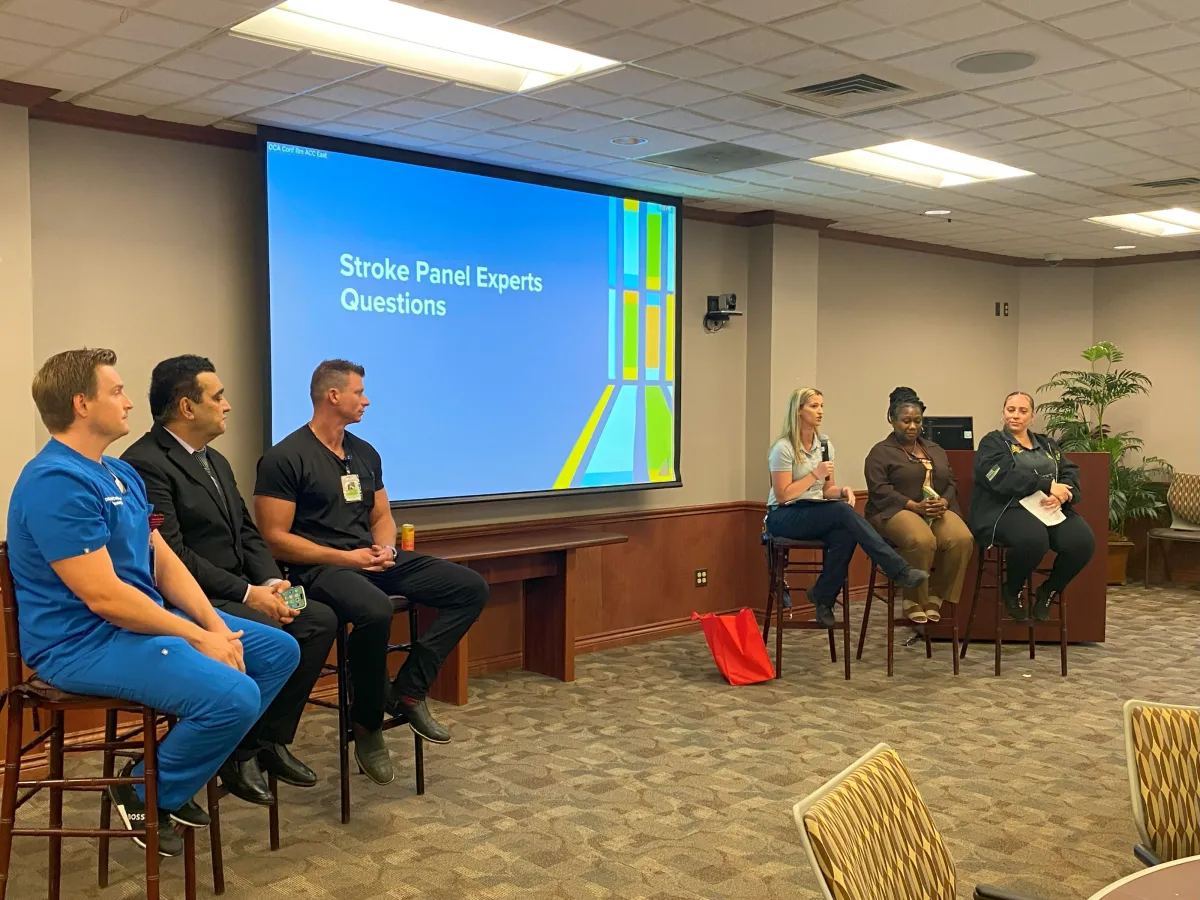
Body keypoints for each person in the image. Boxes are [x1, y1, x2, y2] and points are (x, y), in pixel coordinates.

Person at [5, 349, 299, 857]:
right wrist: (197, 636)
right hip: (82, 644)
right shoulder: (55, 481)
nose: (127, 401)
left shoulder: (120, 473)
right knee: (234, 697)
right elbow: (105, 598)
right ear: (81, 404)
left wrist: (213, 625)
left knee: (276, 652)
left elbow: (163, 561)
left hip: (135, 627)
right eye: (115, 391)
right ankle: (142, 791)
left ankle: (172, 775)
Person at [254, 360, 488, 785]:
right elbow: (274, 539)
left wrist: (385, 548)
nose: (366, 400)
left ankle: (409, 690)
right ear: (332, 396)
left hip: (369, 559)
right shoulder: (285, 458)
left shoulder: (363, 452)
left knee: (469, 587)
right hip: (317, 569)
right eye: (359, 392)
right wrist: (349, 559)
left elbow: (382, 514)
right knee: (375, 610)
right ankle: (367, 726)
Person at [122, 355, 337, 804]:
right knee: (278, 633)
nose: (228, 405)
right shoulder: (145, 463)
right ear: (186, 407)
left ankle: (263, 742)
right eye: (217, 396)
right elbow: (173, 556)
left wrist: (269, 582)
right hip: (192, 600)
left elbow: (245, 529)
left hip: (246, 586)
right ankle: (237, 752)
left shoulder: (213, 459)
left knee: (317, 619)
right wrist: (248, 594)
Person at [765, 387, 927, 630]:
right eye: (813, 406)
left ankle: (823, 597)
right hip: (783, 515)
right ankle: (898, 569)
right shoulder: (783, 448)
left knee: (846, 529)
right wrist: (814, 474)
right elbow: (783, 494)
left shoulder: (824, 445)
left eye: (821, 405)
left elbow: (826, 490)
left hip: (813, 510)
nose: (820, 411)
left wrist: (842, 492)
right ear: (798, 411)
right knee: (842, 513)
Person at [968, 391, 1095, 621]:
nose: (1015, 416)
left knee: (1083, 542)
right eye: (1011, 410)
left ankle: (1048, 591)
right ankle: (1012, 589)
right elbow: (1001, 477)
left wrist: (1062, 495)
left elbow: (1069, 473)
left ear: (1032, 416)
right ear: (1003, 413)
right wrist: (1047, 485)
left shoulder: (1047, 444)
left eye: (1022, 411)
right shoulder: (993, 442)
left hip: (1047, 509)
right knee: (1034, 539)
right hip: (1007, 509)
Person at [864, 387, 972, 624]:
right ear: (891, 420)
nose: (912, 426)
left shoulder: (935, 449)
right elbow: (879, 489)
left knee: (962, 538)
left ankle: (937, 594)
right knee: (922, 540)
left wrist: (944, 501)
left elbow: (951, 481)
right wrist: (913, 505)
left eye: (917, 421)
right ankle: (913, 598)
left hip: (936, 508)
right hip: (895, 510)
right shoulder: (880, 452)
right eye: (906, 421)